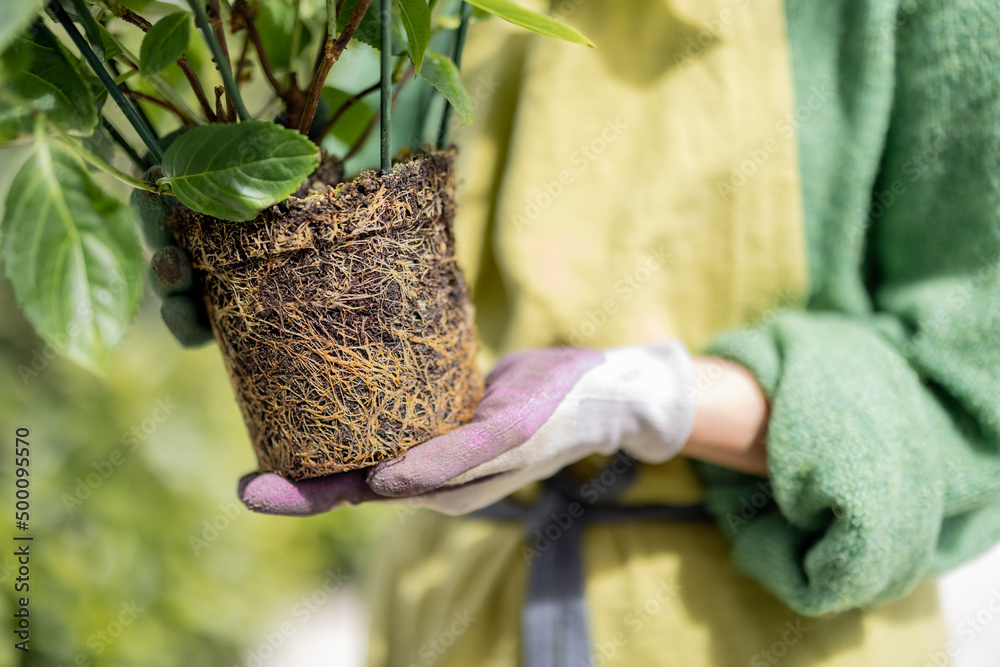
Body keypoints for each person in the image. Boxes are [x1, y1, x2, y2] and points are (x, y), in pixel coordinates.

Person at [155, 0, 1000, 664]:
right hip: (451, 614)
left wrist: (645, 399)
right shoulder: (423, 14)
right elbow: (315, 155)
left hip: (749, 633)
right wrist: (228, 207)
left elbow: (975, 387)